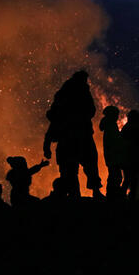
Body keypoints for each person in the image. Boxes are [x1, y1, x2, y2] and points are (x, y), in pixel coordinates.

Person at [43, 70, 102, 198]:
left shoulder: (63, 96)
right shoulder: (81, 93)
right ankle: (93, 192)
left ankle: (76, 196)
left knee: (71, 170)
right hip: (80, 136)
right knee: (89, 165)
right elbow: (91, 110)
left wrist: (47, 146)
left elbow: (53, 121)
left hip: (69, 139)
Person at [99, 106, 126, 200]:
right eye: (115, 114)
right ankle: (112, 195)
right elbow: (115, 141)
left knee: (114, 175)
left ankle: (112, 193)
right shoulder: (111, 126)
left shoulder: (108, 125)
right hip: (113, 156)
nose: (117, 117)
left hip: (111, 156)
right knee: (116, 176)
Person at [121, 110, 139, 200]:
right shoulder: (137, 129)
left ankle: (123, 196)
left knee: (127, 179)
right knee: (133, 180)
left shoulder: (125, 128)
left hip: (126, 159)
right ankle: (131, 197)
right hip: (134, 159)